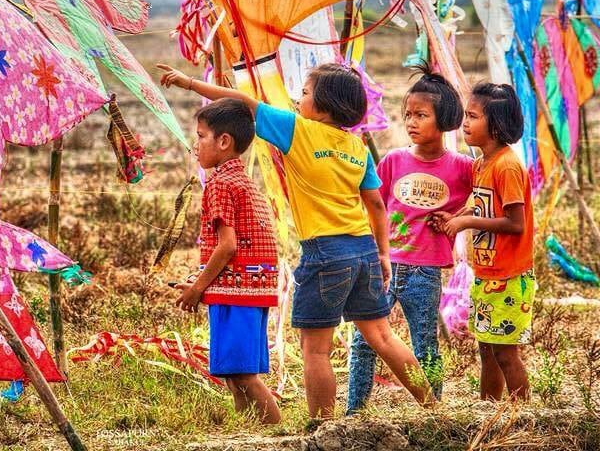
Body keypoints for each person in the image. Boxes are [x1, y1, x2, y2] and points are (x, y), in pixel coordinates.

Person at [159, 62, 434, 419]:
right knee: (383, 337)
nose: (299, 99)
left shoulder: (298, 130)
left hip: (325, 252)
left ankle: (323, 426)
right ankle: (432, 404)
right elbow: (377, 204)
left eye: (304, 93)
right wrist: (383, 253)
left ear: (323, 105)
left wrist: (190, 83)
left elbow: (243, 102)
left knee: (315, 350)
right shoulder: (357, 146)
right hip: (364, 248)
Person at [347, 68, 473, 412]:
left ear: (444, 120)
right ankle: (354, 411)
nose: (411, 122)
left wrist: (458, 220)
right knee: (363, 341)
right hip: (384, 266)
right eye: (408, 115)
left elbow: (485, 196)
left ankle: (432, 408)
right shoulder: (392, 161)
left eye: (421, 115)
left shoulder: (463, 167)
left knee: (425, 343)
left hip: (426, 271)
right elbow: (374, 206)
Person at [172, 97, 281, 423]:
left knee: (244, 377)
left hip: (238, 293)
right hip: (251, 290)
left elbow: (228, 246)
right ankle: (250, 434)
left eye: (201, 136)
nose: (196, 144)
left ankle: (278, 436)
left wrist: (196, 288)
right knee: (235, 375)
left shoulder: (219, 184)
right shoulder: (243, 182)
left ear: (224, 141)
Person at [432, 82, 534, 401]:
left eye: (473, 116)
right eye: (466, 115)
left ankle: (522, 413)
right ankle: (488, 409)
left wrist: (465, 222)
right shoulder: (481, 163)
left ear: (497, 123)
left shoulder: (507, 166)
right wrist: (454, 216)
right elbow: (479, 203)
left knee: (505, 353)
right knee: (487, 350)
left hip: (509, 277)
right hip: (488, 274)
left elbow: (515, 224)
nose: (465, 122)